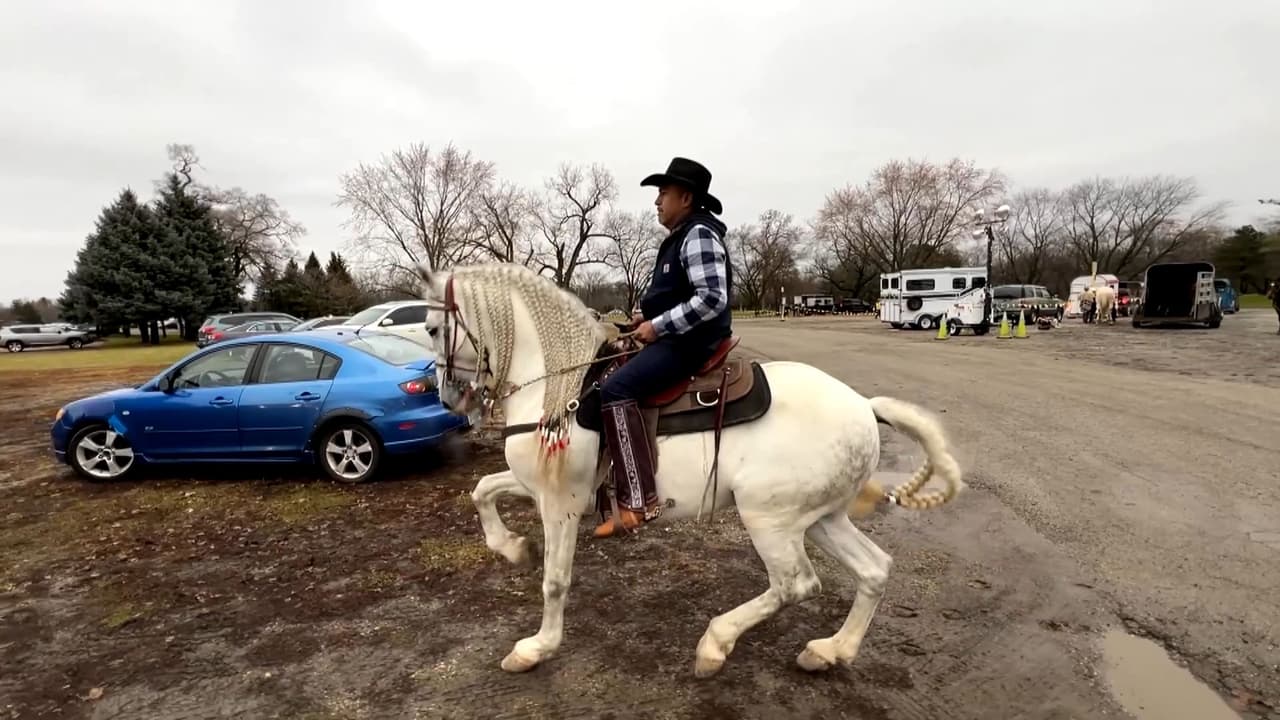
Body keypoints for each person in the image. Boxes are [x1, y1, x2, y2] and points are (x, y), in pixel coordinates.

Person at [592, 157, 733, 539]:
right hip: (676, 335)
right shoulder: (680, 236)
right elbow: (678, 296)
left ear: (685, 197)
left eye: (663, 193)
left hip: (691, 343)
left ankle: (638, 501)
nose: (657, 201)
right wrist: (644, 319)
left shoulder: (698, 234)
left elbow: (712, 299)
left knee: (616, 389)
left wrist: (659, 326)